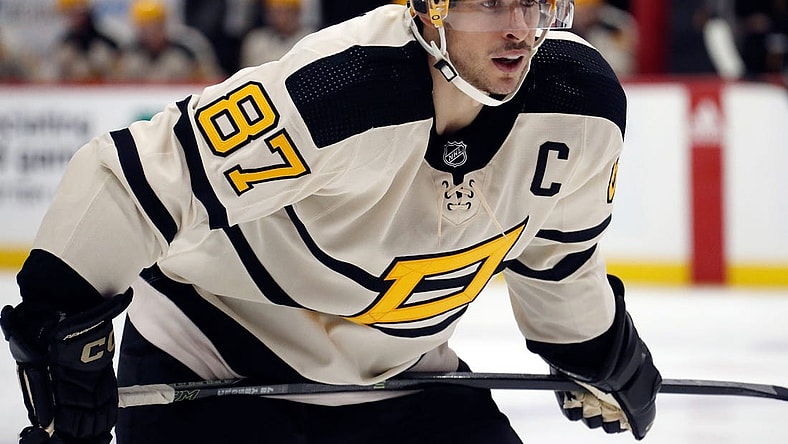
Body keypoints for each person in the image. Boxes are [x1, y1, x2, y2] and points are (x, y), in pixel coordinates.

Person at [0, 1, 661, 443]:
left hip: (403, 379)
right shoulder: (339, 89)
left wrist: (591, 347)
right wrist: (64, 321)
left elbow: (558, 254)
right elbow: (123, 179)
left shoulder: (581, 100)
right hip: (213, 368)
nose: (519, 27)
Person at [115, 0, 222, 83]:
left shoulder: (188, 50)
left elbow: (210, 79)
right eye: (145, 26)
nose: (151, 31)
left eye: (155, 24)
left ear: (164, 24)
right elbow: (113, 85)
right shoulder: (127, 54)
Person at [52, 0, 122, 82]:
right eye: (68, 13)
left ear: (86, 12)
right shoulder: (63, 46)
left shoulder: (108, 44)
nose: (72, 18)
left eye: (75, 13)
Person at [570, 0, 637, 77]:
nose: (585, 14)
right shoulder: (563, 32)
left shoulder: (617, 24)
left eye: (588, 8)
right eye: (581, 10)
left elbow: (622, 67)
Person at [240, 0, 314, 68]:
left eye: (287, 11)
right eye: (276, 12)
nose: (282, 17)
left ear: (297, 13)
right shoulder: (255, 41)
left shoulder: (310, 39)